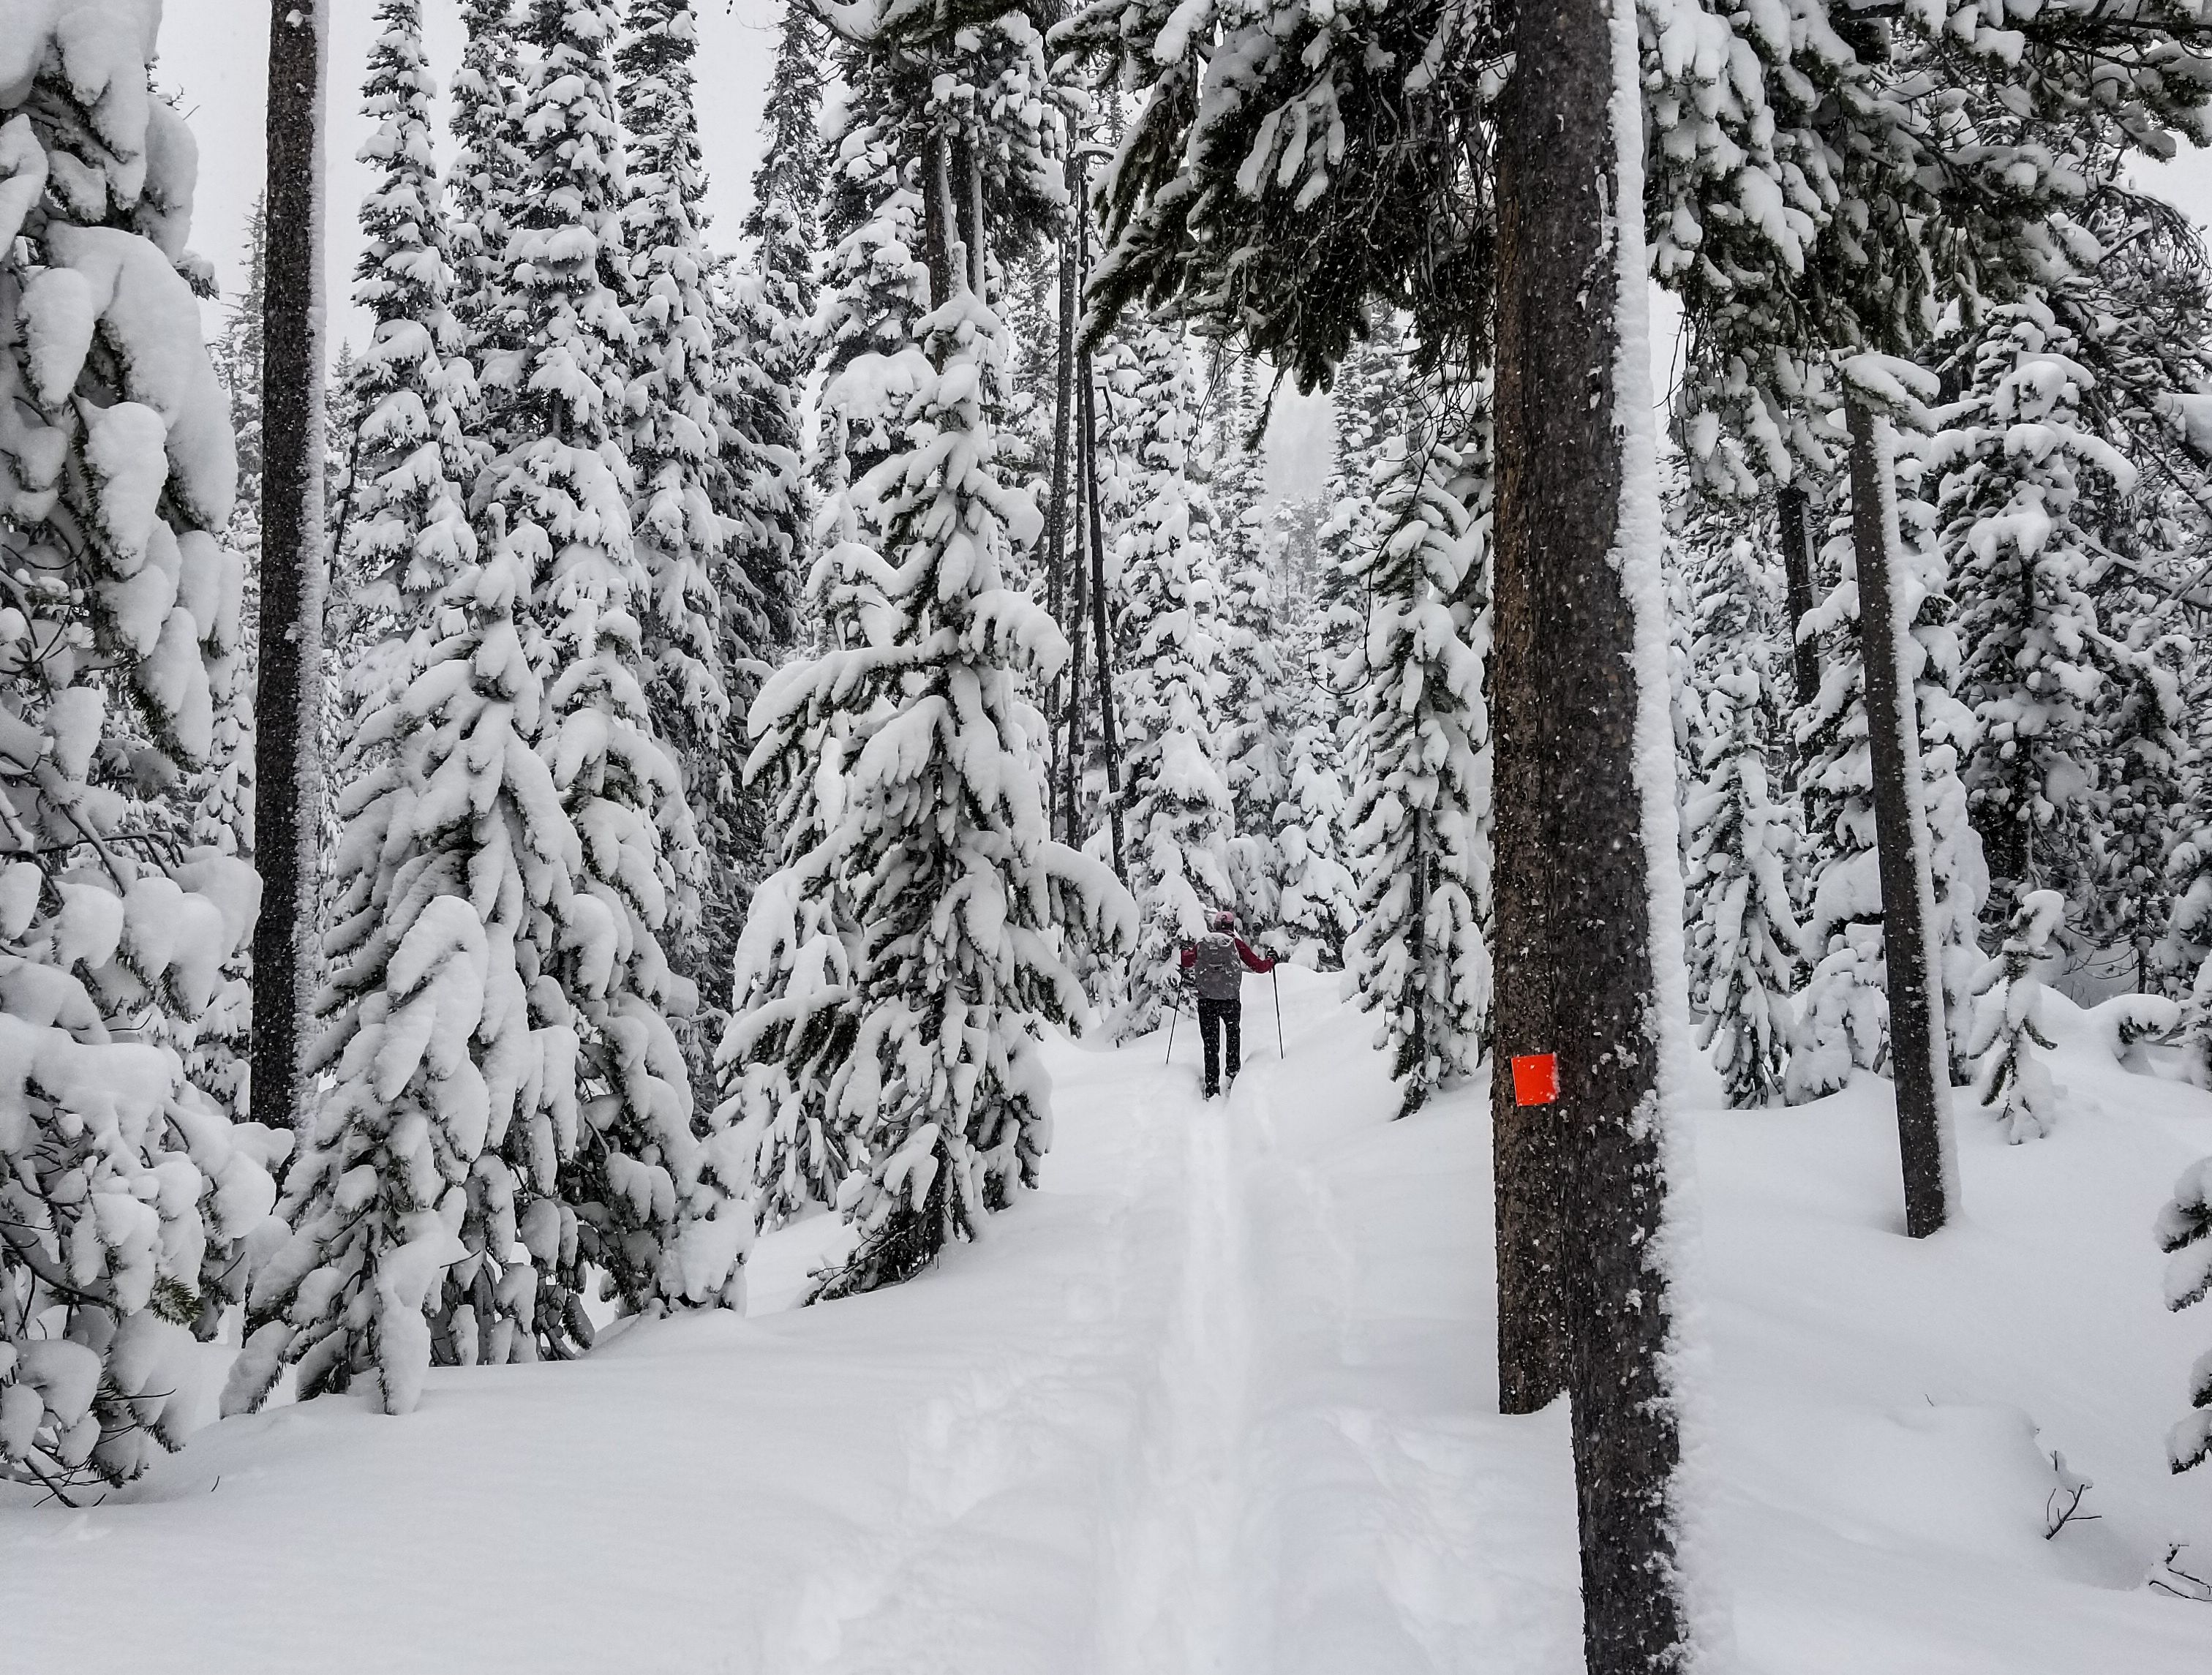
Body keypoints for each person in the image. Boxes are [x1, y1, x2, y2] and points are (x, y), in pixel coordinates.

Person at [1178, 909, 1276, 1098]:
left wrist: (1184, 950)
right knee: (1232, 1035)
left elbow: (1186, 961)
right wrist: (1272, 960)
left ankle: (1212, 1086)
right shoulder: (1236, 944)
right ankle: (1232, 1076)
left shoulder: (1203, 944)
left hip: (1207, 1000)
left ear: (1215, 926)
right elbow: (1259, 967)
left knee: (1210, 1043)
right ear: (1231, 927)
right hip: (1230, 1000)